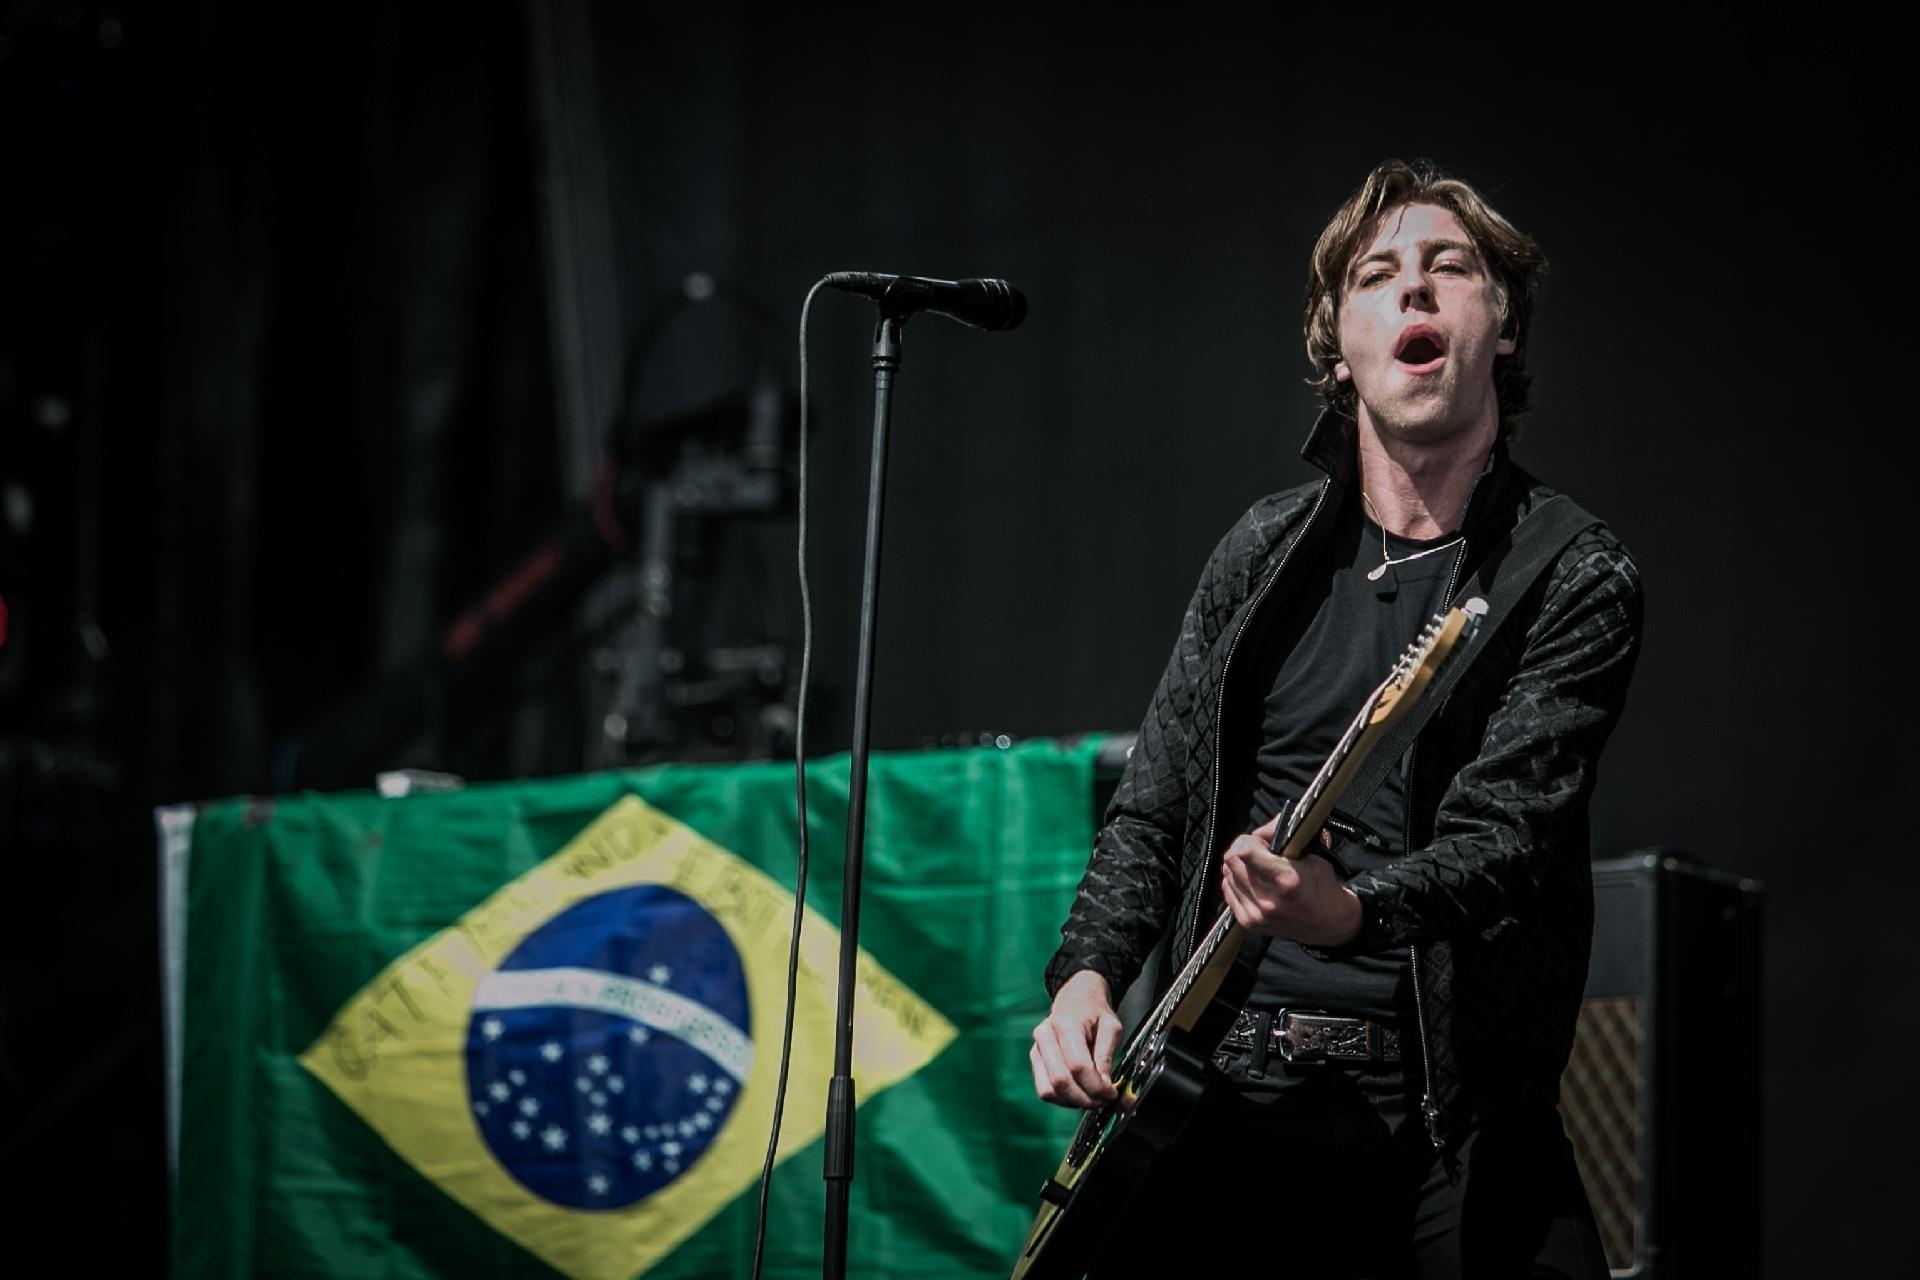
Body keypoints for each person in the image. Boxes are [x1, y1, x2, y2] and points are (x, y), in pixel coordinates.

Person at [1029, 159, 1644, 1278]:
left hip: (1445, 1121)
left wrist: (1346, 912)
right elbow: (1154, 803)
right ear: (1338, 342)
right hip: (1217, 1096)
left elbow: (1500, 846)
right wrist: (1083, 978)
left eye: (1448, 269)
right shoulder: (1262, 556)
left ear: (1500, 328)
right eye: (1378, 275)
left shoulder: (1571, 571)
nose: (1414, 292)